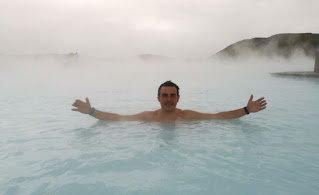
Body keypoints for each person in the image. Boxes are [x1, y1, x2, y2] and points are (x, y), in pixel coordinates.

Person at [72, 80, 267, 122]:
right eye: (165, 95)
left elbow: (220, 117)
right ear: (158, 98)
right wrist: (91, 111)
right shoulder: (148, 117)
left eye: (172, 95)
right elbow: (117, 118)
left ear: (178, 98)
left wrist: (246, 110)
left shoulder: (187, 115)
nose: (169, 99)